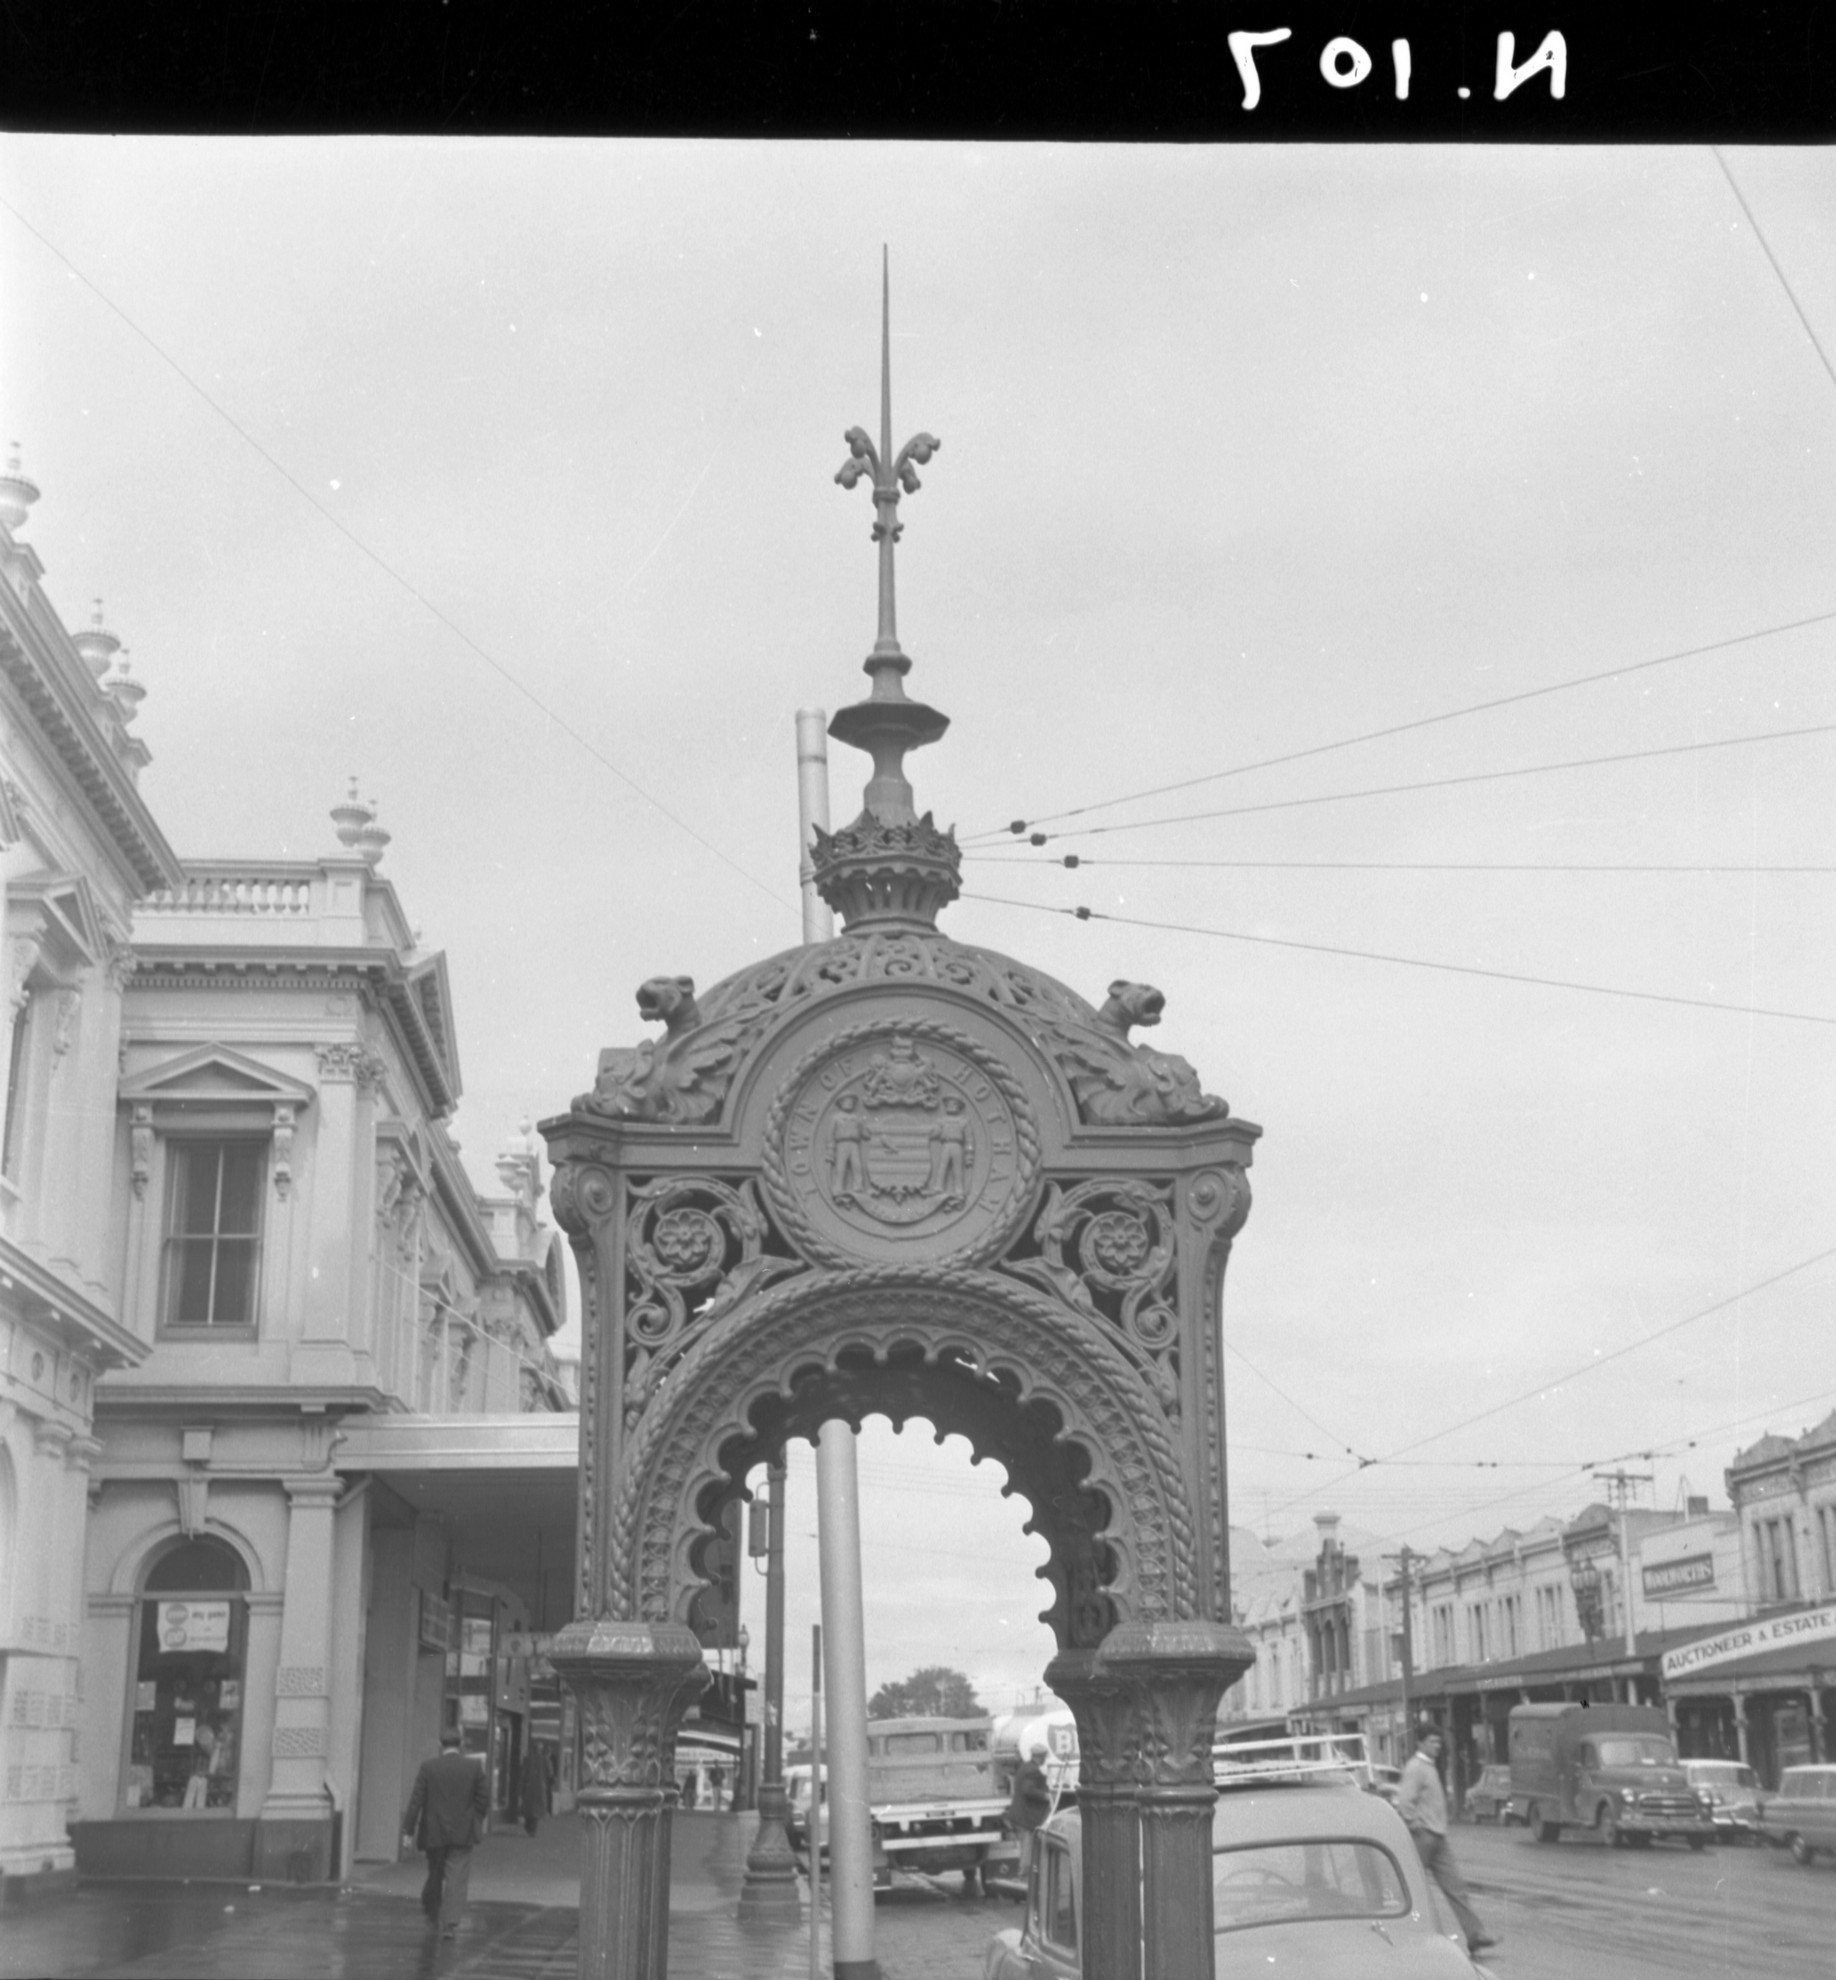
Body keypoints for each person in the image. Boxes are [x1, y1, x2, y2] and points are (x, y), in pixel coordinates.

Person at [1396, 1726, 1495, 1957]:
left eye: (1439, 1743)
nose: (1437, 1747)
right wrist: (1415, 1826)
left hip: (1438, 1837)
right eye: (1432, 1742)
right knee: (1414, 1889)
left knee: (1456, 1886)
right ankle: (1409, 1936)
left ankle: (1475, 1935)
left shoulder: (1429, 1767)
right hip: (1424, 1837)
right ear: (1420, 1743)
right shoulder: (1416, 1768)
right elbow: (1404, 1802)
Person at [403, 1729, 490, 1939]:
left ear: (440, 1744)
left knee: (435, 1872)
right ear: (460, 1744)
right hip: (463, 1831)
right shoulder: (474, 1767)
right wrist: (475, 1819)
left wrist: (408, 1830)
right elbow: (483, 1798)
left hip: (434, 1831)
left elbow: (416, 1801)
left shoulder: (428, 1768)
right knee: (456, 1877)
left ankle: (432, 1913)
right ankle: (449, 1923)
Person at [1006, 1743, 1054, 1883]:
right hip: (1025, 1818)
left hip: (1020, 1816)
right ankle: (1024, 1877)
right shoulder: (1032, 1771)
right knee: (1027, 1847)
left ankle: (1025, 1875)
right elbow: (1028, 1790)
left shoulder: (1025, 1767)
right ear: (1040, 1757)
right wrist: (1046, 1796)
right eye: (1044, 1757)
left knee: (1025, 1846)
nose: (1045, 1759)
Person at [520, 1739, 554, 1838]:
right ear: (541, 1749)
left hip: (529, 1787)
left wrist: (522, 1786)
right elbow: (550, 1773)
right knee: (536, 1810)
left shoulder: (527, 1759)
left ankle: (529, 1826)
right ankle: (532, 1829)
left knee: (529, 1808)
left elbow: (523, 1774)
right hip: (540, 1788)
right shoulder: (545, 1760)